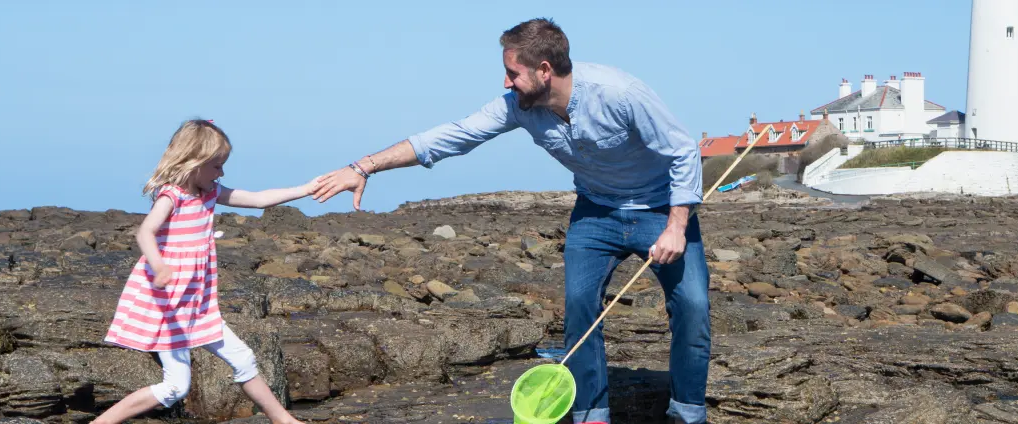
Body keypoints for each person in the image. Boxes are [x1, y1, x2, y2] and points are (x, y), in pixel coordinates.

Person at [308, 18, 710, 424]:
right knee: (578, 308)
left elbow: (682, 150)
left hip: (661, 209)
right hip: (595, 212)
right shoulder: (521, 108)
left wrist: (676, 227)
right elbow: (452, 136)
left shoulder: (620, 93)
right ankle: (593, 415)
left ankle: (688, 414)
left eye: (513, 73)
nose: (506, 83)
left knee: (693, 307)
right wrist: (364, 167)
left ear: (544, 71)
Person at [95, 119, 314, 424]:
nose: (221, 173)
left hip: (198, 305)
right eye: (216, 166)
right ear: (193, 162)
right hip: (170, 307)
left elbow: (258, 199)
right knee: (175, 386)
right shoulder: (171, 196)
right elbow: (145, 232)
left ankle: (283, 420)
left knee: (243, 357)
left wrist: (306, 189)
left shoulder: (210, 193)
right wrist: (159, 265)